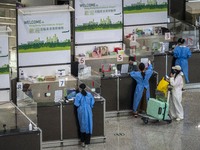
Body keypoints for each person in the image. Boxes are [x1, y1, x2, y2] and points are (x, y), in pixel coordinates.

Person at [74, 83, 95, 147]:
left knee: (82, 125)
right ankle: (87, 143)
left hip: (81, 111)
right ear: (86, 88)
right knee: (89, 125)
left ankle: (82, 141)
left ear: (79, 89)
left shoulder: (78, 95)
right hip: (88, 111)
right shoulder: (89, 94)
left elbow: (76, 104)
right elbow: (92, 103)